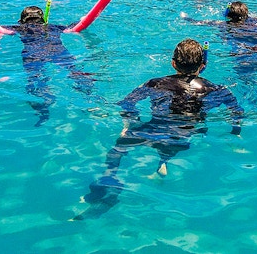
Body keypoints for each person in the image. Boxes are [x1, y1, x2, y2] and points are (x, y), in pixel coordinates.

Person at [73, 39, 243, 220]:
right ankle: (163, 161)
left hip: (152, 130)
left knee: (117, 150)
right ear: (202, 65)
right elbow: (237, 112)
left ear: (173, 63)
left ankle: (108, 181)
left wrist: (128, 125)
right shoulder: (217, 89)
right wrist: (235, 133)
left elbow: (127, 103)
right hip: (185, 135)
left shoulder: (155, 83)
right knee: (184, 132)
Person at [183, 2, 257, 115]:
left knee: (251, 87)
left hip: (245, 57)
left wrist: (186, 17)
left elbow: (199, 22)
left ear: (229, 16)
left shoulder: (224, 25)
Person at [2, 6, 94, 126]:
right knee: (75, 72)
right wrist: (82, 19)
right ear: (44, 19)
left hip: (34, 54)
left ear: (21, 20)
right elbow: (71, 29)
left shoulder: (20, 28)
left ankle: (43, 107)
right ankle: (90, 98)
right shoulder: (53, 27)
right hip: (58, 51)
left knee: (35, 80)